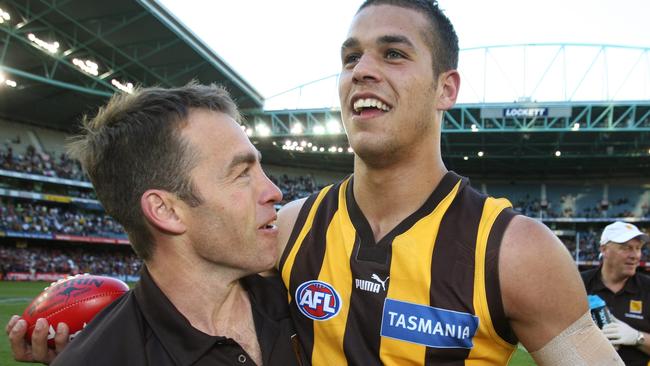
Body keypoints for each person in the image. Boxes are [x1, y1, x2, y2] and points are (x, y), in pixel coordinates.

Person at [276, 0, 622, 364]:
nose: (361, 70)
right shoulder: (290, 228)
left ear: (446, 89)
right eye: (351, 58)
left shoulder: (515, 252)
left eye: (393, 53)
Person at [5, 84, 300, 366]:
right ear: (166, 210)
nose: (274, 191)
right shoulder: (101, 357)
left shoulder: (311, 295)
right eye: (241, 173)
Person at [582, 221, 650, 365]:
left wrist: (637, 337)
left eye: (638, 248)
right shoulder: (578, 284)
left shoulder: (647, 288)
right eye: (626, 248)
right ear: (604, 249)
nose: (635, 255)